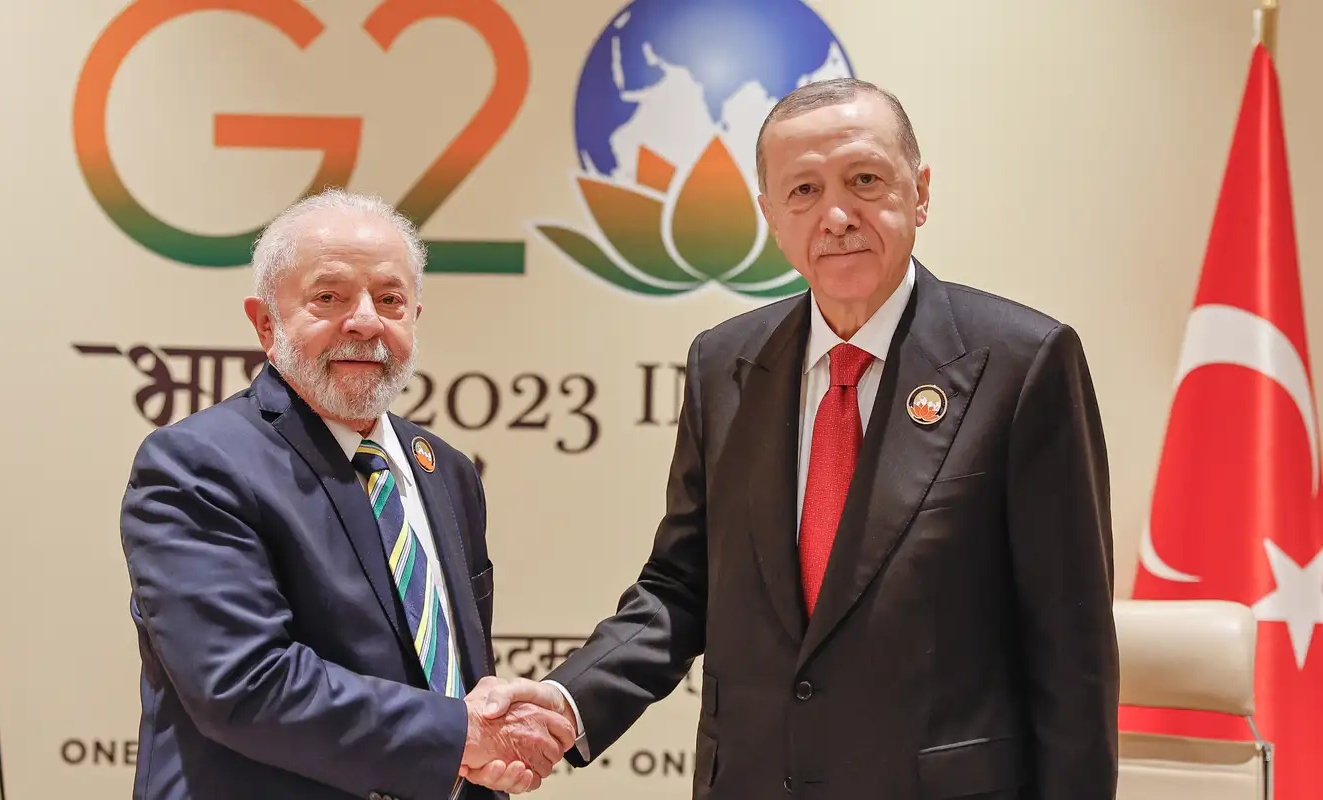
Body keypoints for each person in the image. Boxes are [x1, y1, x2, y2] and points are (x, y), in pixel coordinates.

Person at [473, 78, 1120, 798]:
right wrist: (565, 704)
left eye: (865, 180)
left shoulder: (1023, 363)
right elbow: (681, 586)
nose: (836, 216)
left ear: (920, 193)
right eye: (804, 191)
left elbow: (1071, 648)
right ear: (771, 218)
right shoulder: (724, 364)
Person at [118, 189, 575, 799]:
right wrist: (461, 736)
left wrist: (479, 755)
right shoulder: (197, 465)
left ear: (415, 316)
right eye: (328, 297)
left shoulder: (446, 471)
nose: (365, 322)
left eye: (390, 300)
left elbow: (449, 677)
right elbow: (244, 684)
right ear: (265, 323)